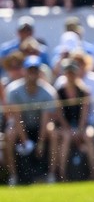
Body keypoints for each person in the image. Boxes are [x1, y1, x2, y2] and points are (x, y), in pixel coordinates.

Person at [4, 55, 57, 186]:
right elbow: (17, 117)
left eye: (35, 70)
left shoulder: (48, 92)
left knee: (54, 133)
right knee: (10, 135)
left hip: (40, 126)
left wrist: (40, 143)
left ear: (39, 72)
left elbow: (46, 119)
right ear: (24, 71)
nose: (32, 73)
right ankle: (13, 176)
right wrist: (25, 141)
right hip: (20, 126)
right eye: (30, 70)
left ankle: (51, 175)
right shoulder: (13, 90)